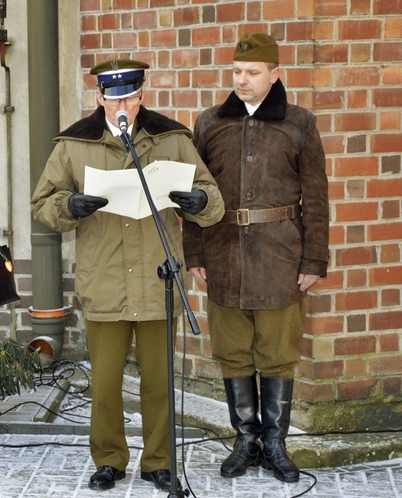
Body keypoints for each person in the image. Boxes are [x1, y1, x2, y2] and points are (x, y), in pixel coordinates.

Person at [31, 59, 224, 492]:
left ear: (141, 96)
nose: (123, 105)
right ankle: (109, 460)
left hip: (159, 279)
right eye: (113, 97)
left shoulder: (171, 139)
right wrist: (70, 206)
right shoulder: (74, 143)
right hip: (105, 280)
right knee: (104, 382)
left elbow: (212, 196)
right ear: (99, 97)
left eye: (130, 97)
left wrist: (197, 202)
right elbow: (43, 202)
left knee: (159, 380)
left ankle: (158, 461)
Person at [182, 33, 329, 483]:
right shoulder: (209, 123)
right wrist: (194, 253)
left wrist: (313, 260)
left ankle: (276, 444)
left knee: (279, 354)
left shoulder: (299, 123)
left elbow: (317, 199)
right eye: (237, 72)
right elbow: (192, 196)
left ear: (274, 74)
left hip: (281, 257)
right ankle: (245, 441)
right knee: (233, 353)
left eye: (252, 73)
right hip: (223, 254)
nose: (241, 80)